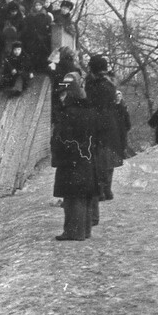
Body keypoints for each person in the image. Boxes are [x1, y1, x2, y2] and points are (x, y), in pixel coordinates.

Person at [51, 72, 99, 241]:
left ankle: (73, 231)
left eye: (63, 94)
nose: (61, 98)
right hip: (85, 158)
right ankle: (84, 230)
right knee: (83, 195)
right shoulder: (87, 109)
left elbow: (64, 138)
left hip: (71, 159)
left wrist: (60, 155)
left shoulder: (69, 112)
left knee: (72, 197)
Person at [85, 55, 122, 202]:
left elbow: (90, 102)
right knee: (108, 157)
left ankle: (100, 190)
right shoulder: (109, 84)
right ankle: (107, 189)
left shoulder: (94, 85)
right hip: (111, 123)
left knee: (98, 157)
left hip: (96, 123)